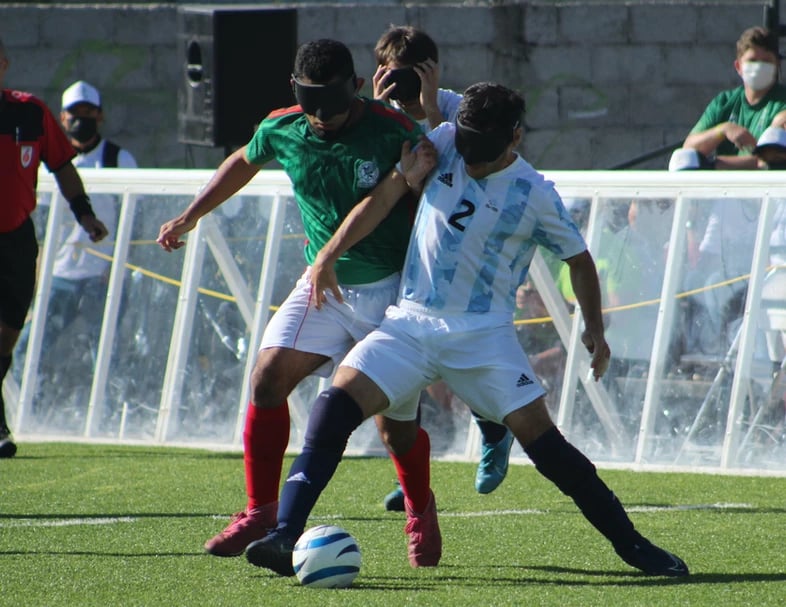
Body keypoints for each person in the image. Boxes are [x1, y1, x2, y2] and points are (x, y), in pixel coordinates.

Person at [245, 82, 690, 578]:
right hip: (409, 325)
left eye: (482, 153)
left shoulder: (536, 194)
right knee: (333, 408)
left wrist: (595, 330)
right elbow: (386, 189)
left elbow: (580, 261)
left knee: (548, 448)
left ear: (515, 138)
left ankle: (633, 547)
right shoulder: (445, 139)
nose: (469, 161)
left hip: (483, 338)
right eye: (466, 146)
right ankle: (285, 534)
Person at [156, 39, 440, 561]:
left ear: (356, 88)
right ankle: (261, 511)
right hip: (322, 286)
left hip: (390, 295)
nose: (322, 118)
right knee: (266, 378)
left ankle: (420, 506)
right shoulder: (284, 125)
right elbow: (244, 159)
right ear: (295, 91)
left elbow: (431, 200)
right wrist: (192, 214)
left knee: (394, 431)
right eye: (311, 107)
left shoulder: (392, 131)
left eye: (332, 107)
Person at [373, 24, 513, 507]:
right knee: (402, 367)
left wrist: (431, 110)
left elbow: (465, 174)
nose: (403, 87)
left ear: (431, 71)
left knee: (448, 349)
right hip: (400, 248)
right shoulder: (376, 112)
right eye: (395, 75)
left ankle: (492, 424)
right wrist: (379, 114)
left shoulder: (457, 108)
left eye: (413, 75)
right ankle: (411, 476)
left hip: (454, 251)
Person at [0, 39, 108, 458]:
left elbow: (62, 166)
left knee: (8, 334)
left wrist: (85, 215)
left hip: (17, 237)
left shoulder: (30, 112)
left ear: (4, 64)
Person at [15, 81, 137, 373]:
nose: (81, 119)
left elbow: (133, 220)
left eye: (89, 112)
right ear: (62, 118)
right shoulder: (48, 164)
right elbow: (40, 224)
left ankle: (107, 413)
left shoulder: (118, 160)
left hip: (101, 276)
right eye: (75, 113)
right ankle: (34, 406)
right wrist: (37, 274)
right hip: (59, 277)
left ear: (100, 116)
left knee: (106, 357)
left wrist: (118, 266)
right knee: (26, 351)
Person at [682, 26, 786, 169]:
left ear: (777, 65)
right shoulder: (724, 102)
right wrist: (723, 130)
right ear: (738, 67)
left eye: (766, 61)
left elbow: (769, 161)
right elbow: (688, 149)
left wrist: (715, 165)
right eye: (753, 60)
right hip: (726, 188)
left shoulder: (782, 102)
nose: (759, 67)